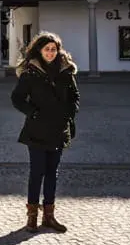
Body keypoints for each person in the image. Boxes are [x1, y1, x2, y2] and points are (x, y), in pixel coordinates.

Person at [10, 31, 80, 233]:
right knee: (37, 172)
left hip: (59, 129)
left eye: (53, 49)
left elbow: (75, 96)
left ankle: (49, 216)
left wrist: (70, 112)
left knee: (52, 174)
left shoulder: (66, 71)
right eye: (47, 49)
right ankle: (32, 216)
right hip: (37, 130)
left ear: (58, 51)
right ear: (39, 51)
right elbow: (17, 98)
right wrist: (33, 113)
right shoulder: (31, 72)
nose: (50, 52)